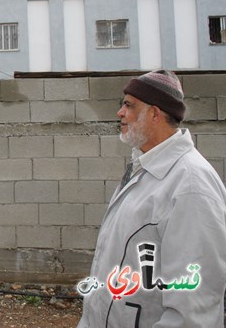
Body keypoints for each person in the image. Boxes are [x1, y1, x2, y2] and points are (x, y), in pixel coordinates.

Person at [77, 70, 226, 327]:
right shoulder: (143, 169)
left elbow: (191, 312)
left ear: (155, 114)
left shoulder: (190, 186)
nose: (120, 113)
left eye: (128, 105)